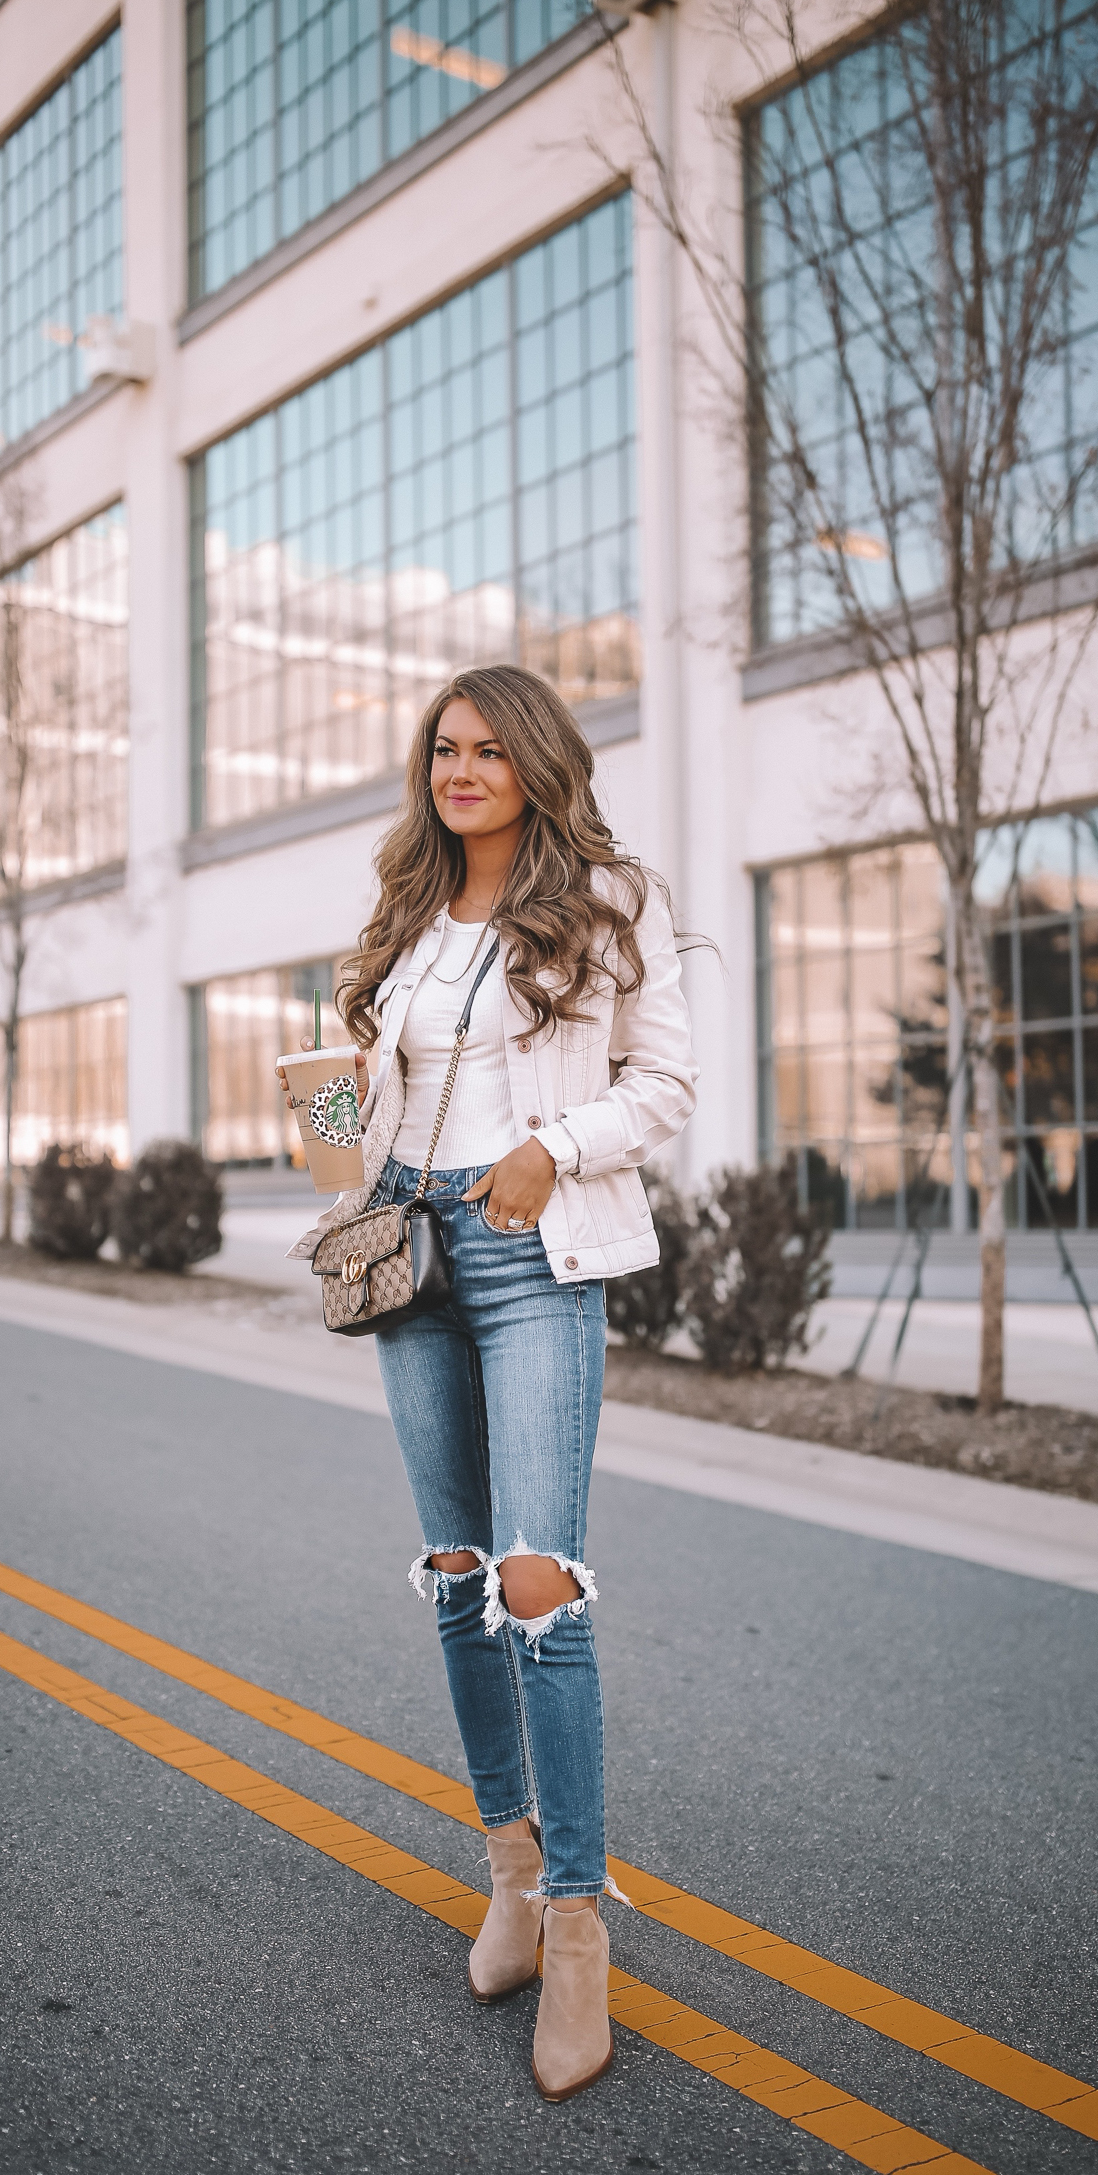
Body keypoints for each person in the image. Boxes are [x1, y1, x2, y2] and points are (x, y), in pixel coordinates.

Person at [281, 664, 697, 2102]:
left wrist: (552, 1149)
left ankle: (579, 1930)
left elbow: (666, 1088)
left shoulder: (611, 902)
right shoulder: (404, 915)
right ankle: (510, 1871)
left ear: (535, 761)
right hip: (410, 1250)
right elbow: (362, 1117)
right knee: (457, 1572)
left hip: (531, 1252)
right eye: (443, 751)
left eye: (485, 750)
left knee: (537, 1585)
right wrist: (331, 1105)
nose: (460, 770)